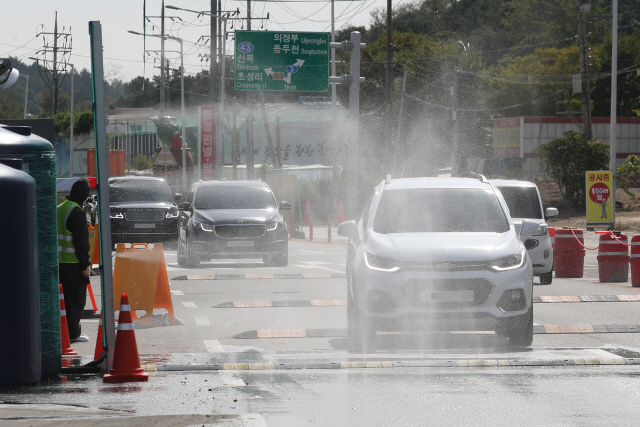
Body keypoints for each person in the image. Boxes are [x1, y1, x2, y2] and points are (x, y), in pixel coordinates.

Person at [57, 178, 92, 343]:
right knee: (75, 300)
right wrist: (86, 264)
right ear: (85, 195)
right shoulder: (77, 212)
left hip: (58, 262)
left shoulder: (60, 208)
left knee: (62, 300)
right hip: (73, 264)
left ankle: (64, 331)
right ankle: (73, 333)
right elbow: (81, 243)